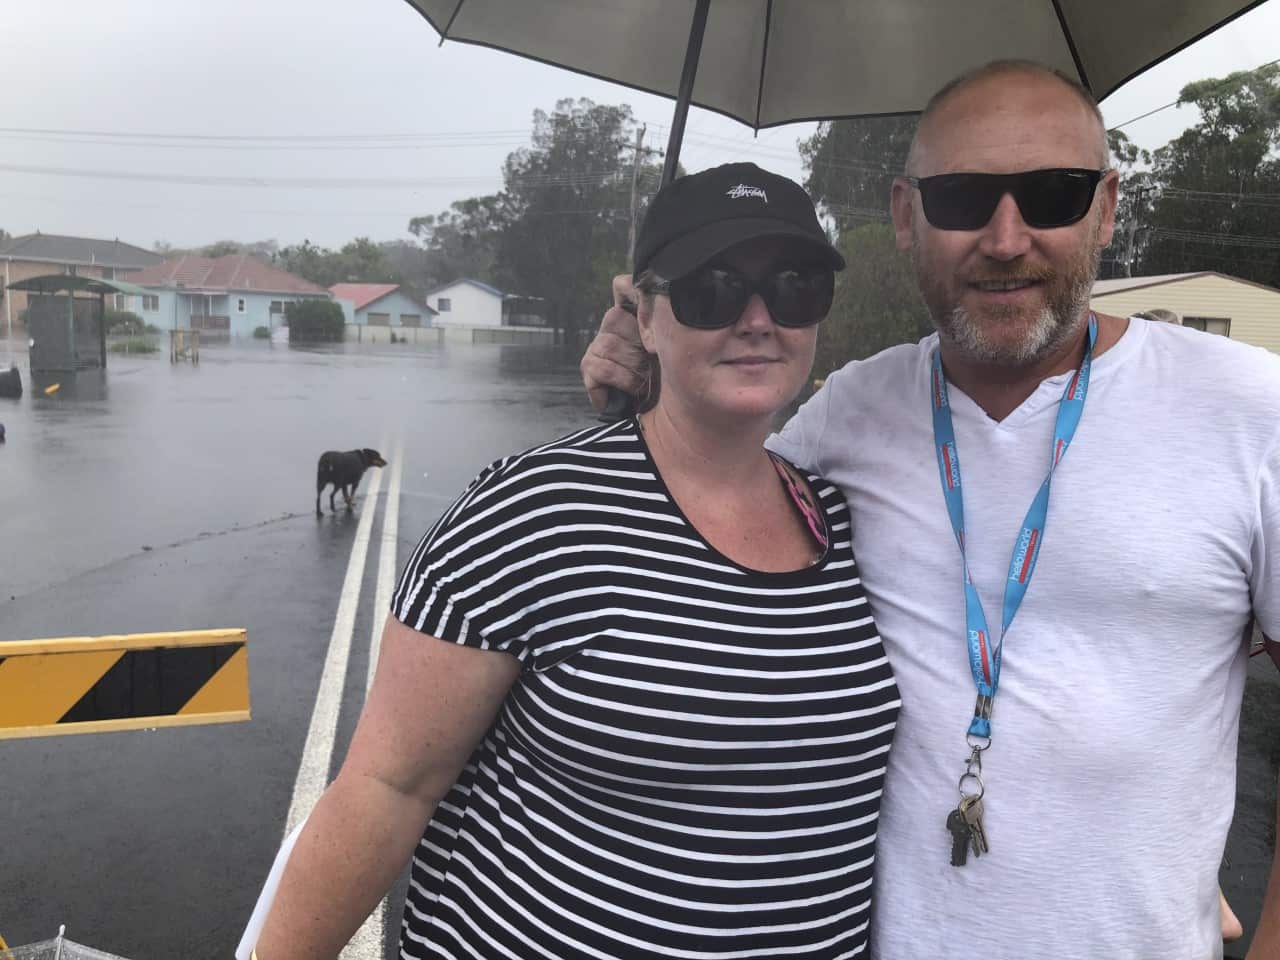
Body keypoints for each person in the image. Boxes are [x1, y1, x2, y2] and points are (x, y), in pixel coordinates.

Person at [583, 60, 1280, 959]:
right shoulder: (849, 413)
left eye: (1053, 194)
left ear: (1108, 208)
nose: (1005, 236)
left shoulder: (1249, 412)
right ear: (907, 217)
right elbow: (691, 547)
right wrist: (653, 388)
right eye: (962, 199)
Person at [251, 163, 901, 960]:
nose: (758, 318)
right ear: (642, 315)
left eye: (795, 286)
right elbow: (386, 789)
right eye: (713, 288)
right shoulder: (531, 511)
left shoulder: (840, 518)